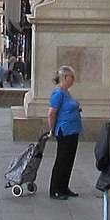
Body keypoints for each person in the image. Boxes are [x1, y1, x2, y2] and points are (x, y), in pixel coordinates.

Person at [45, 65, 82, 199]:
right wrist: (52, 130)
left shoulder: (66, 92)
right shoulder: (58, 93)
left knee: (69, 160)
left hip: (73, 130)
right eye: (72, 77)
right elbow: (51, 113)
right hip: (64, 131)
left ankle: (64, 186)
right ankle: (55, 189)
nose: (74, 80)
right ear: (65, 77)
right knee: (62, 160)